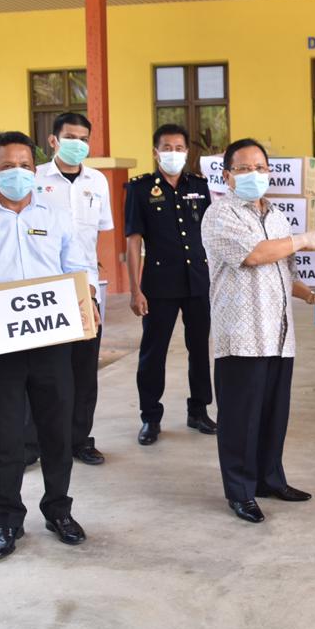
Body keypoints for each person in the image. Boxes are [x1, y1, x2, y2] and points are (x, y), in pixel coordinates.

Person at [0, 130, 99, 561]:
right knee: (7, 439)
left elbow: (78, 271)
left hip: (52, 344)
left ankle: (58, 511)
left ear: (36, 169)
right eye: (7, 167)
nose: (17, 173)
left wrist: (92, 302)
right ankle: (8, 521)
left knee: (56, 434)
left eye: (25, 166)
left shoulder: (57, 216)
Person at [202, 137, 315, 523]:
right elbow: (254, 255)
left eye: (261, 168)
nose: (254, 174)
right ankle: (240, 491)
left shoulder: (277, 216)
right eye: (244, 168)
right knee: (240, 417)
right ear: (227, 175)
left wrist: (313, 298)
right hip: (241, 336)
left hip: (278, 336)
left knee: (273, 414)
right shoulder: (220, 214)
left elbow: (283, 271)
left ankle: (270, 479)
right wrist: (306, 238)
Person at [25, 112, 114, 465]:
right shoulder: (33, 179)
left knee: (83, 371)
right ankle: (32, 446)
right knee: (41, 372)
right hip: (44, 289)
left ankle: (80, 439)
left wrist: (94, 283)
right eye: (70, 137)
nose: (78, 144)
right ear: (53, 140)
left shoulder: (97, 181)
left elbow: (99, 236)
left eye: (83, 138)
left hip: (85, 287)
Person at [124, 123, 216, 446]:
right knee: (153, 352)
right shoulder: (139, 189)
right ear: (155, 151)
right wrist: (135, 289)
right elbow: (133, 242)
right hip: (158, 285)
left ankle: (199, 410)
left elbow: (211, 234)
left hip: (197, 282)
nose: (173, 153)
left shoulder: (200, 187)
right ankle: (150, 416)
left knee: (199, 349)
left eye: (179, 148)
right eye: (167, 147)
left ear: (187, 152)